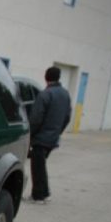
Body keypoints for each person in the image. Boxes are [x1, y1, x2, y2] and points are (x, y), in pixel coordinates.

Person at [27, 66, 72, 204]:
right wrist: (58, 131)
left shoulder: (45, 94)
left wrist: (29, 135)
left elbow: (36, 119)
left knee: (37, 167)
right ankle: (45, 193)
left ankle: (38, 196)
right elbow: (67, 117)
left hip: (41, 138)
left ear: (46, 77)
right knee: (41, 165)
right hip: (52, 138)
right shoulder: (65, 94)